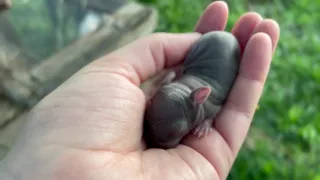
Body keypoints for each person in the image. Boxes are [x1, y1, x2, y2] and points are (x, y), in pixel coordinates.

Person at [0, 1, 280, 179]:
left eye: (168, 134)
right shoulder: (174, 87)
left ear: (198, 100)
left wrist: (206, 119)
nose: (157, 139)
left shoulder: (206, 101)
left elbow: (213, 103)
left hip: (214, 51)